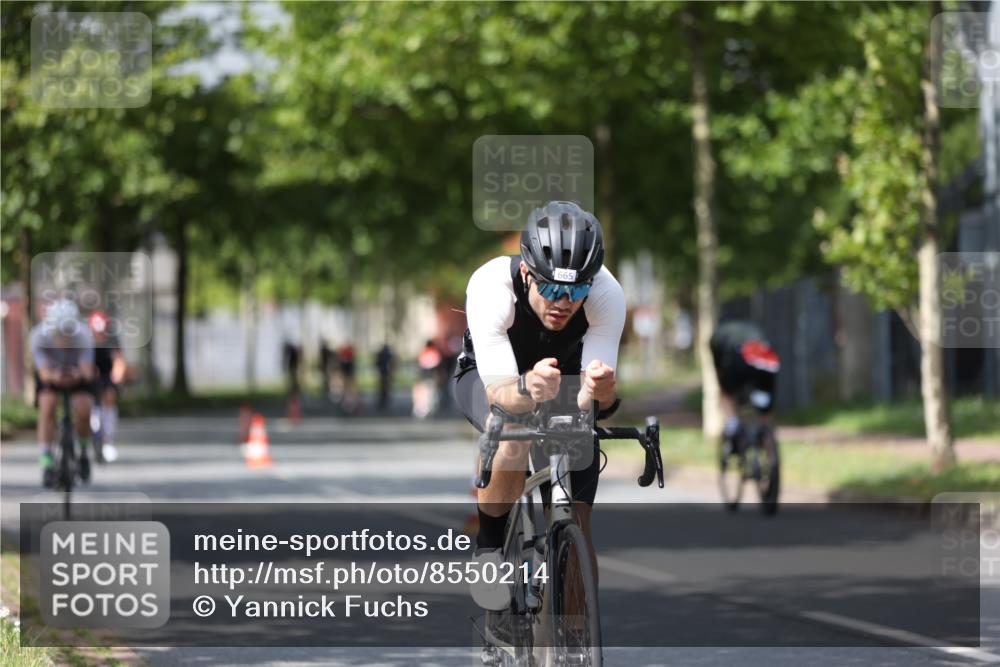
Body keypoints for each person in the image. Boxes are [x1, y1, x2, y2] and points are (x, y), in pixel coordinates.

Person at [450, 201, 625, 612]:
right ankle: (490, 550)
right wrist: (526, 387)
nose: (563, 301)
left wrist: (601, 392)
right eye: (550, 288)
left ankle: (577, 638)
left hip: (562, 380)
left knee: (576, 521)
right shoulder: (492, 285)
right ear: (528, 272)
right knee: (512, 426)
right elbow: (504, 393)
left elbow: (593, 401)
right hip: (491, 377)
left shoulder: (607, 294)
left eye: (576, 290)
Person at [31, 299, 96, 488]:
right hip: (51, 375)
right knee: (48, 406)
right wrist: (54, 376)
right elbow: (43, 372)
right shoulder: (38, 336)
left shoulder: (84, 335)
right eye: (60, 333)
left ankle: (84, 453)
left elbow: (88, 372)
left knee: (84, 409)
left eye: (69, 332)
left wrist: (78, 374)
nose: (65, 338)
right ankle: (46, 461)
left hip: (77, 375)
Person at [709, 320, 780, 452]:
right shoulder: (753, 328)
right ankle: (765, 431)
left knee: (726, 394)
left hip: (737, 357)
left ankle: (733, 425)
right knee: (764, 395)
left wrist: (723, 384)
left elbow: (718, 366)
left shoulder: (719, 334)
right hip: (765, 358)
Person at [89, 310, 127, 463]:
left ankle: (108, 439)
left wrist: (118, 375)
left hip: (106, 375)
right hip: (89, 374)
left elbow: (119, 361)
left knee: (109, 396)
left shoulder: (112, 340)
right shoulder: (86, 340)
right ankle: (92, 432)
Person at [413, 340, 442, 419]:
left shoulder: (423, 353)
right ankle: (430, 408)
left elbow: (419, 367)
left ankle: (422, 410)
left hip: (423, 377)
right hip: (431, 377)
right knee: (432, 394)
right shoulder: (435, 353)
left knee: (423, 394)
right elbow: (437, 367)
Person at [374, 342, 394, 411]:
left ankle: (383, 399)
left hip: (383, 372)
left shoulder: (381, 354)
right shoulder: (388, 354)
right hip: (384, 372)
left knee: (383, 387)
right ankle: (383, 399)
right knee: (384, 387)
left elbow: (377, 363)